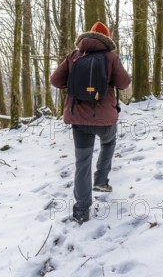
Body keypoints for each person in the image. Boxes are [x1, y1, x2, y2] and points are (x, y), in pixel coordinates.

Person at [50, 22, 131, 224]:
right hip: (104, 119)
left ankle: (81, 211)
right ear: (106, 38)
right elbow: (123, 83)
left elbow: (55, 80)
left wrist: (72, 85)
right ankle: (102, 180)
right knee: (108, 143)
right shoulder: (110, 57)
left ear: (88, 36)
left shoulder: (75, 55)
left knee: (82, 162)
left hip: (78, 116)